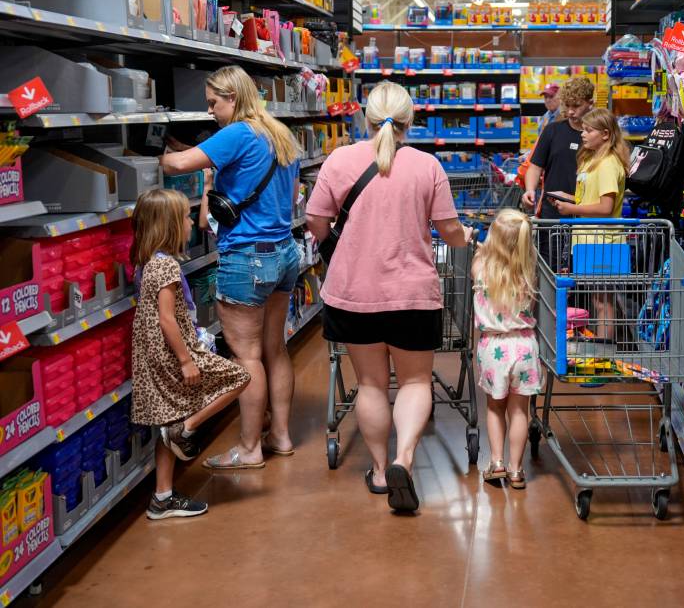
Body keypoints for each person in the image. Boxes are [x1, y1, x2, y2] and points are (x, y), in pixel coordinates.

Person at [306, 81, 472, 513]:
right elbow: (450, 231)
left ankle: (379, 472)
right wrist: (463, 236)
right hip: (412, 295)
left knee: (371, 384)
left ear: (365, 117)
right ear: (409, 121)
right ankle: (404, 459)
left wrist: (332, 249)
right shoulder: (427, 165)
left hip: (353, 294)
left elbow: (315, 217)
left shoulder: (340, 159)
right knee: (416, 381)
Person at [159, 65, 301, 470]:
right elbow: (291, 197)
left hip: (246, 258)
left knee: (247, 356)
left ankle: (250, 447)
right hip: (284, 251)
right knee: (276, 349)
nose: (210, 112)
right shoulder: (281, 132)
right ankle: (281, 436)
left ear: (233, 98)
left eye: (213, 103)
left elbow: (176, 166)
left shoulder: (238, 132)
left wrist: (157, 150)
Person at [129, 189, 251, 519]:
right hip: (174, 352)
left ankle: (162, 497)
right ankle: (186, 429)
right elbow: (167, 318)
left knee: (169, 418)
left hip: (153, 353)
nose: (189, 223)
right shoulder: (165, 267)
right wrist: (186, 359)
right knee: (239, 377)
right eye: (184, 217)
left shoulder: (146, 262)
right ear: (168, 225)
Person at [473, 209, 542, 490]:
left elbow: (481, 259)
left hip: (493, 348)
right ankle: (516, 470)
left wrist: (483, 251)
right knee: (518, 411)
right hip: (525, 346)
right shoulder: (528, 271)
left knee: (494, 407)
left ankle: (497, 463)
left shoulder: (481, 267)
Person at [551, 108, 630, 340]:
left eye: (588, 130)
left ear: (605, 134)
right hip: (589, 240)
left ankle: (604, 350)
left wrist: (572, 209)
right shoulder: (593, 160)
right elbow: (590, 198)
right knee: (599, 298)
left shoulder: (607, 163)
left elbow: (606, 207)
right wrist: (567, 198)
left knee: (603, 300)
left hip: (603, 240)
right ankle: (601, 346)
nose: (582, 134)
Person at [522, 76, 595, 220]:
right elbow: (535, 167)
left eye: (576, 106)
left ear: (590, 103)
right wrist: (529, 190)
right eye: (567, 106)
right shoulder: (552, 131)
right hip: (551, 214)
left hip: (587, 215)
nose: (570, 112)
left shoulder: (598, 135)